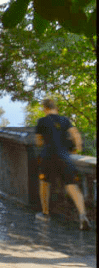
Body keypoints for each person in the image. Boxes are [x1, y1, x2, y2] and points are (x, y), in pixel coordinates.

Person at [35, 98, 91, 230]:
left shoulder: (42, 121)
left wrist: (44, 140)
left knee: (44, 184)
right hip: (65, 157)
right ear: (56, 108)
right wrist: (77, 149)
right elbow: (76, 135)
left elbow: (38, 142)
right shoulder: (65, 120)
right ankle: (82, 216)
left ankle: (45, 213)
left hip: (48, 157)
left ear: (45, 108)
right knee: (72, 186)